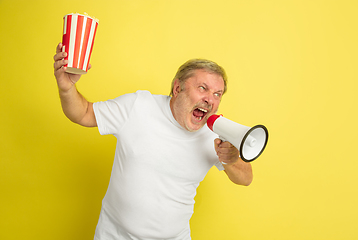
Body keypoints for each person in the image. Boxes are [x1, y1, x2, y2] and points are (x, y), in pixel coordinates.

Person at [53, 42, 253, 240]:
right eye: (203, 88)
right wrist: (66, 88)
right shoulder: (138, 106)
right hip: (115, 235)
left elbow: (246, 178)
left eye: (217, 94)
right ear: (177, 88)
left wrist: (231, 159)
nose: (210, 100)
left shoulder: (214, 134)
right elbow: (84, 114)